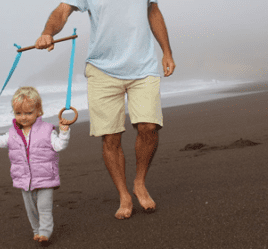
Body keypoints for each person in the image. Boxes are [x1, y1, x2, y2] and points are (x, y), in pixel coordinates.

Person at [35, 0, 176, 220]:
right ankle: (124, 196)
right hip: (102, 70)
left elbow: (153, 11)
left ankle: (139, 182)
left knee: (149, 127)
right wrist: (47, 32)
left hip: (144, 67)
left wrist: (167, 52)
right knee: (111, 136)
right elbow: (62, 11)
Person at [0, 86, 73, 244]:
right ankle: (36, 230)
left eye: (28, 113)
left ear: (38, 111)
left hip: (45, 177)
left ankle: (45, 232)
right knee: (31, 210)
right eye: (18, 113)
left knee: (44, 208)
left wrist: (64, 132)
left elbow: (59, 146)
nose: (23, 117)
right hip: (24, 179)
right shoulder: (12, 133)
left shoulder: (47, 130)